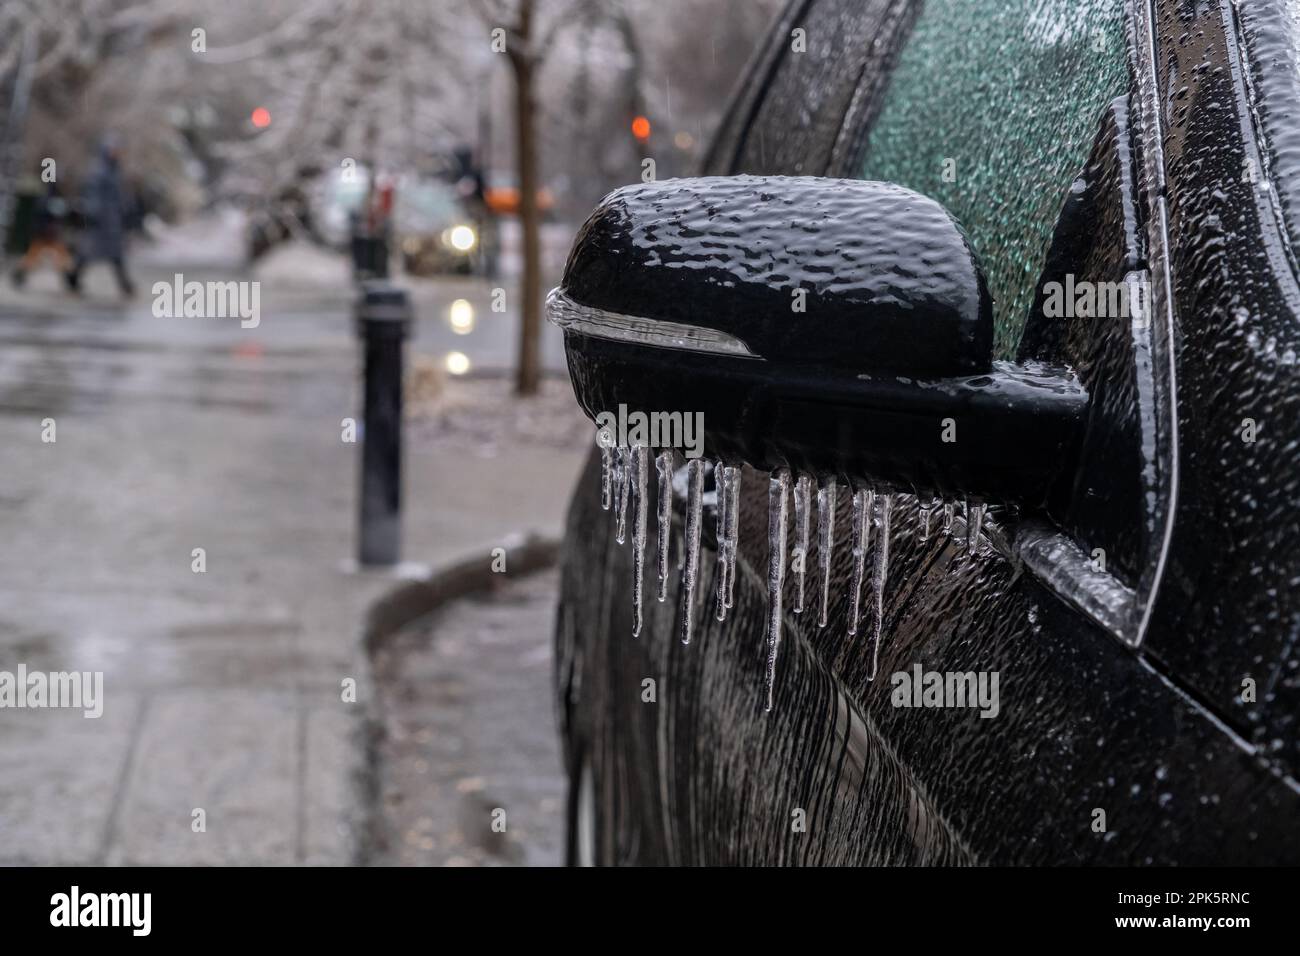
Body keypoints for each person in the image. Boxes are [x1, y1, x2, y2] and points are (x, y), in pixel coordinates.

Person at [66, 136, 134, 297]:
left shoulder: (114, 170)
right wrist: (93, 214)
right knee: (88, 252)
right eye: (113, 150)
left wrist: (125, 210)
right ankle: (73, 277)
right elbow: (93, 194)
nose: (116, 153)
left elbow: (118, 195)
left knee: (115, 253)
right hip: (100, 220)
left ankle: (125, 285)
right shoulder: (99, 171)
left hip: (111, 220)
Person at [10, 181, 71, 288]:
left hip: (50, 234)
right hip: (43, 234)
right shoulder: (46, 201)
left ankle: (71, 279)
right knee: (32, 258)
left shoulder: (49, 200)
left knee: (62, 258)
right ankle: (19, 276)